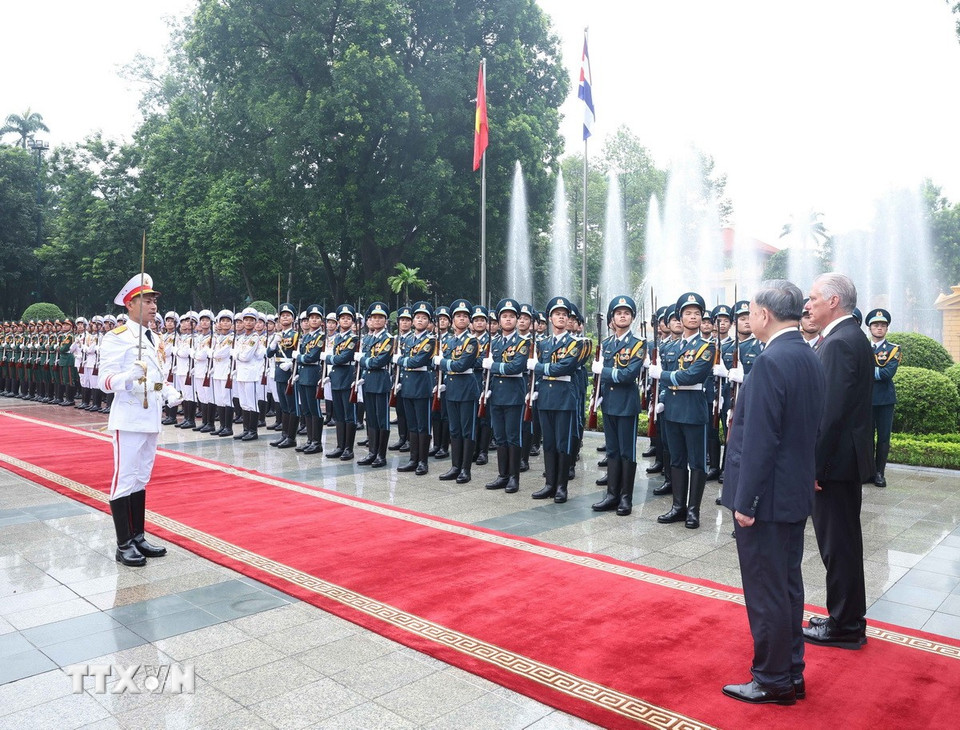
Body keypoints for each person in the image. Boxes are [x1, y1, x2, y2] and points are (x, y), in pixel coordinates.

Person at [720, 280, 825, 706]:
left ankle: (771, 679)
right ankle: (791, 671)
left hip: (767, 499)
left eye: (750, 312)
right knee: (787, 585)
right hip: (793, 493)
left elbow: (760, 440)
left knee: (766, 590)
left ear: (763, 314)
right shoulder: (807, 355)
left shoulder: (770, 362)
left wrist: (745, 503)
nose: (748, 319)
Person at [802, 273, 874, 649]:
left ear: (833, 301)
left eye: (813, 298)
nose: (808, 305)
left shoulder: (840, 343)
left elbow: (829, 413)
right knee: (842, 541)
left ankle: (844, 624)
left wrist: (814, 467)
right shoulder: (846, 337)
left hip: (835, 464)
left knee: (838, 544)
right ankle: (845, 617)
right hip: (843, 460)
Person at [98, 274, 182, 567]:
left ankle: (138, 536)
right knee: (124, 479)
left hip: (151, 417)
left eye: (155, 300)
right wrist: (126, 377)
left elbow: (155, 381)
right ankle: (123, 544)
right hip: (130, 418)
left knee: (141, 479)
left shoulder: (156, 337)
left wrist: (167, 391)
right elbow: (104, 381)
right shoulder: (116, 337)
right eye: (146, 300)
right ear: (130, 305)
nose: (153, 305)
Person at [650, 293, 715, 528]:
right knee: (676, 459)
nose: (693, 317)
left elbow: (692, 375)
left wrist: (664, 376)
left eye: (697, 313)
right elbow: (667, 380)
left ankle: (693, 510)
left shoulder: (707, 347)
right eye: (688, 313)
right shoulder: (670, 347)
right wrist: (661, 398)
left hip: (693, 409)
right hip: (673, 409)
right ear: (679, 317)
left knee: (696, 461)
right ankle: (678, 506)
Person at [591, 295, 646, 516]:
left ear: (632, 317)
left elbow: (628, 374)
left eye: (626, 313)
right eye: (618, 313)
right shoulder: (606, 344)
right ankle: (612, 495)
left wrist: (602, 371)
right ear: (612, 318)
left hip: (626, 403)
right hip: (610, 403)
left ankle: (626, 497)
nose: (622, 316)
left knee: (627, 452)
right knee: (612, 451)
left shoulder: (638, 344)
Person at [529, 297, 584, 503]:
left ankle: (562, 487)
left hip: (563, 399)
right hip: (546, 397)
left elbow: (565, 367)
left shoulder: (574, 344)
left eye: (564, 314)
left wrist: (540, 368)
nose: (561, 317)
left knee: (563, 443)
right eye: (557, 314)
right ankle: (549, 484)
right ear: (550, 318)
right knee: (549, 443)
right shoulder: (543, 344)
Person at [434, 299, 480, 483]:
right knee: (454, 430)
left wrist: (442, 362)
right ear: (453, 320)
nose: (461, 319)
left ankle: (465, 469)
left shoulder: (472, 341)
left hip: (466, 389)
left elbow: (461, 365)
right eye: (458, 316)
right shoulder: (448, 341)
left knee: (467, 430)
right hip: (452, 389)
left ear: (469, 321)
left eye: (464, 316)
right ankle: (455, 466)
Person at [355, 302, 394, 467]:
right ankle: (372, 452)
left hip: (381, 380)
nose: (377, 320)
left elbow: (379, 361)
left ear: (385, 320)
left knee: (381, 418)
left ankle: (381, 455)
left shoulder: (388, 339)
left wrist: (363, 360)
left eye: (380, 317)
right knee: (370, 418)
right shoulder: (368, 338)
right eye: (374, 317)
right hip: (368, 381)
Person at [867, 309, 899, 488]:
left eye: (883, 325)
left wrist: (864, 372)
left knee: (884, 438)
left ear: (887, 329)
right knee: (867, 437)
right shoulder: (862, 346)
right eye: (876, 325)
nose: (879, 328)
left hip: (885, 400)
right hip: (866, 399)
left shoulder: (893, 349)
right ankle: (868, 471)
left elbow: (887, 373)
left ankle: (880, 473)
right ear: (870, 328)